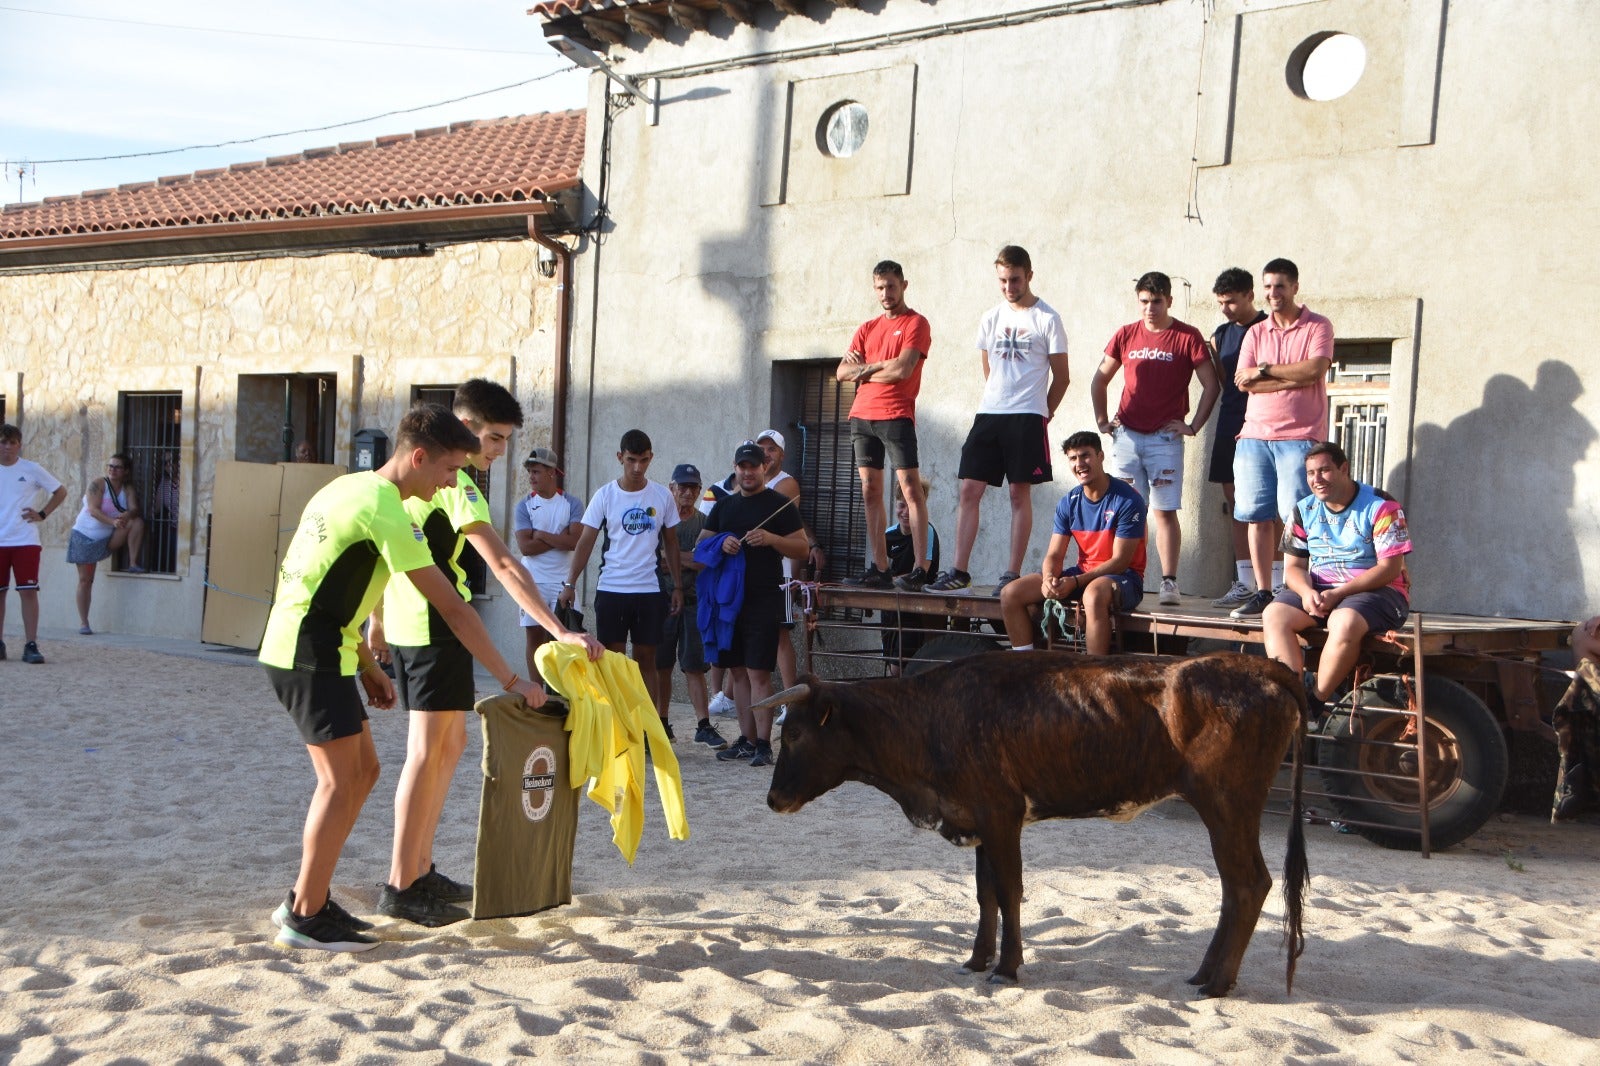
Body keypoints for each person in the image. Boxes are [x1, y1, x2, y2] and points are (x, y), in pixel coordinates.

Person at [259, 404, 548, 952]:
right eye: (446, 471)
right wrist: (513, 680)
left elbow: (321, 577)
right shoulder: (387, 510)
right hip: (307, 652)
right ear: (418, 457)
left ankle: (309, 895)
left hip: (320, 647)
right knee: (340, 781)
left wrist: (367, 662)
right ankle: (304, 912)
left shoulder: (348, 488)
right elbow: (456, 611)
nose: (449, 482)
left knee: (363, 771)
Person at [368, 382, 602, 929]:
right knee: (427, 753)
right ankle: (401, 882)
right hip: (432, 625)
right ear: (466, 429)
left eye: (505, 440)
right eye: (494, 438)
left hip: (415, 624)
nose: (500, 450)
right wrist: (556, 627)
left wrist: (378, 619)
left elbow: (387, 547)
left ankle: (419, 867)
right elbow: (504, 564)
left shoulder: (435, 479)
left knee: (447, 746)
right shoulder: (455, 484)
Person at [930, 245, 1070, 595]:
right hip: (990, 413)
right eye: (1003, 280)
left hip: (1027, 416)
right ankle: (959, 571)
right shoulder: (990, 317)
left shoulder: (1047, 318)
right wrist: (999, 397)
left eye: (1016, 279)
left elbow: (1063, 377)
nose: (1009, 286)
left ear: (1029, 276)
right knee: (969, 489)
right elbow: (987, 366)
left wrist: (1044, 413)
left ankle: (1011, 573)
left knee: (1017, 494)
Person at [1091, 271, 1219, 605]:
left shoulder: (1187, 336)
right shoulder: (1126, 334)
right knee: (1122, 510)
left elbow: (1212, 385)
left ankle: (1169, 582)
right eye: (1145, 301)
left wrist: (1192, 426)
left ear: (1169, 301)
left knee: (1163, 511)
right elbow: (1100, 379)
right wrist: (1103, 421)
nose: (1150, 308)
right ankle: (1115, 572)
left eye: (1157, 301)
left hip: (1165, 438)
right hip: (1127, 437)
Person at [1262, 442, 1413, 713]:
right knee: (1274, 615)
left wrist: (1339, 594)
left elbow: (1390, 568)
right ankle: (1290, 700)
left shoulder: (1381, 505)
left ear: (1344, 469)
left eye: (1324, 471)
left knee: (1343, 621)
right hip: (1320, 589)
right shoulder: (1303, 510)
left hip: (1380, 591)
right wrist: (1308, 593)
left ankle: (1314, 704)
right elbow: (1293, 568)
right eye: (1310, 473)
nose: (1316, 479)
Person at [1229, 258, 1334, 618]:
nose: (1273, 294)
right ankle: (1262, 590)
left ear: (1295, 287)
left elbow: (1315, 369)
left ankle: (1298, 590)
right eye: (1268, 287)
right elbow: (1242, 381)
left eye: (1280, 286)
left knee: (1297, 519)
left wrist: (1267, 371)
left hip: (1300, 436)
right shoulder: (1256, 332)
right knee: (1256, 516)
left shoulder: (1318, 326)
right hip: (1254, 436)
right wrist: (1292, 378)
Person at [701, 441, 808, 768]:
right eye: (742, 466)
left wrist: (773, 540)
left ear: (764, 468)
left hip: (764, 600)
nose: (748, 472)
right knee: (738, 672)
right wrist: (724, 542)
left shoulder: (780, 504)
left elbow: (802, 548)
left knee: (759, 673)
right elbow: (702, 545)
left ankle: (764, 744)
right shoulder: (724, 506)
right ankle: (746, 740)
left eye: (753, 466)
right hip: (729, 602)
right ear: (735, 469)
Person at [560, 429, 681, 709]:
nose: (637, 467)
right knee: (611, 660)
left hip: (649, 590)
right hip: (612, 589)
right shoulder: (604, 495)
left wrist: (676, 586)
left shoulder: (662, 496)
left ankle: (647, 729)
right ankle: (615, 725)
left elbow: (671, 544)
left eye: (643, 460)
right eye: (631, 460)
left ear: (651, 458)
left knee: (646, 660)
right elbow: (585, 543)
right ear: (620, 457)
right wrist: (570, 584)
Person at [1000, 431, 1147, 656]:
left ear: (1100, 456)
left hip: (1125, 579)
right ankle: (1025, 665)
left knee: (1093, 594)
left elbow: (1120, 561)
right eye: (1073, 458)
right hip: (1082, 576)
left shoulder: (1129, 499)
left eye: (1085, 456)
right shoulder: (1068, 502)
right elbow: (1055, 555)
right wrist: (1049, 578)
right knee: (1010, 593)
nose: (1079, 464)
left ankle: (1092, 675)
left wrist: (1075, 582)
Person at [836, 259, 934, 591]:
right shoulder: (866, 328)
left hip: (896, 414)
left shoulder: (916, 323)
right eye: (880, 287)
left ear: (903, 285)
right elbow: (840, 373)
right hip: (862, 416)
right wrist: (877, 368)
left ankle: (921, 568)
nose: (885, 293)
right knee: (870, 492)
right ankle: (880, 568)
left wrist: (864, 368)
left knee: (910, 490)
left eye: (891, 286)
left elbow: (902, 370)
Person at [1206, 268, 1270, 608]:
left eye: (1231, 301)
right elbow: (1222, 379)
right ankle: (1245, 581)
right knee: (1237, 504)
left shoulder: (1269, 328)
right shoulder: (1220, 334)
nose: (1226, 309)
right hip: (1230, 421)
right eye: (1221, 303)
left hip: (1264, 424)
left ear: (1249, 295)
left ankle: (1272, 583)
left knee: (1266, 507)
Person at [655, 462, 728, 749]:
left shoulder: (703, 523)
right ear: (671, 488)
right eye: (682, 487)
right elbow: (654, 560)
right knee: (661, 663)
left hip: (695, 601)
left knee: (694, 665)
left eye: (693, 487)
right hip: (661, 599)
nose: (687, 492)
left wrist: (673, 557)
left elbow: (704, 561)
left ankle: (703, 724)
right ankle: (661, 721)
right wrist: (689, 558)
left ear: (699, 491)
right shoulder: (661, 520)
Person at [754, 428, 824, 697]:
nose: (765, 454)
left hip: (779, 572)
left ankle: (789, 699)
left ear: (781, 455)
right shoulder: (751, 481)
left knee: (781, 634)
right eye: (761, 448)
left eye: (771, 449)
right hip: (753, 570)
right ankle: (731, 695)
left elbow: (767, 516)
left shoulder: (787, 483)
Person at [513, 446, 584, 684]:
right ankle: (537, 691)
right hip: (532, 580)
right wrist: (558, 537)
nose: (531, 477)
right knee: (534, 636)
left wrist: (540, 534)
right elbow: (525, 548)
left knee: (562, 639)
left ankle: (560, 692)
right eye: (530, 472)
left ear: (552, 472)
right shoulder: (524, 506)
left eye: (536, 471)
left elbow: (574, 542)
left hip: (562, 581)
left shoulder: (572, 503)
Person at [0, 424, 67, 665]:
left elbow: (60, 491)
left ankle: (31, 644)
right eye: (4, 442)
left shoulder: (31, 469)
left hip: (24, 540)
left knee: (28, 591)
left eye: (13, 442)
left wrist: (43, 513)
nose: (8, 447)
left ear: (19, 445)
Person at [66, 451, 148, 634]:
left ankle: (133, 563)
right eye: (110, 466)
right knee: (86, 580)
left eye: (117, 467)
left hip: (107, 538)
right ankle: (84, 622)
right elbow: (93, 510)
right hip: (86, 536)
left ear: (126, 471)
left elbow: (134, 508)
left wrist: (127, 514)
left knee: (137, 522)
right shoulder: (98, 484)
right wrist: (113, 522)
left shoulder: (127, 489)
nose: (112, 470)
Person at [880, 477, 942, 672]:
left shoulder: (927, 532)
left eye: (912, 507)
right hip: (891, 605)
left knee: (903, 665)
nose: (905, 513)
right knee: (892, 664)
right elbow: (879, 567)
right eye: (901, 506)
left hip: (915, 605)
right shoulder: (889, 533)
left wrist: (889, 580)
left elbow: (920, 571)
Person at [153, 451, 181, 574]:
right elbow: (156, 508)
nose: (170, 465)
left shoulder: (188, 480)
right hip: (174, 527)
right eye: (166, 463)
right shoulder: (164, 484)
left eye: (172, 460)